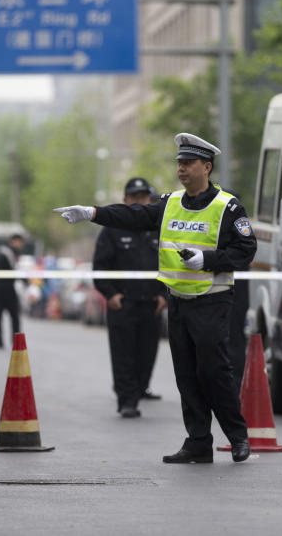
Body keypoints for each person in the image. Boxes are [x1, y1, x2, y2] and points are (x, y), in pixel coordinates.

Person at [55, 133, 256, 464]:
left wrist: (206, 260)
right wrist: (93, 213)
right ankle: (198, 441)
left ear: (206, 167)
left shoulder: (228, 206)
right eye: (179, 163)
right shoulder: (170, 203)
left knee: (214, 373)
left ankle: (237, 437)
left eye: (188, 163)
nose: (181, 169)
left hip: (212, 301)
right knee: (186, 376)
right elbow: (134, 217)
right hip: (178, 302)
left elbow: (246, 250)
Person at [93, 176, 167, 419]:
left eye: (143, 197)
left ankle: (140, 388)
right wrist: (111, 295)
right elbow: (100, 267)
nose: (138, 201)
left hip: (151, 304)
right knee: (123, 354)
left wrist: (164, 295)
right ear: (125, 200)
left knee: (147, 353)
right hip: (123, 303)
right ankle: (127, 399)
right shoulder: (112, 230)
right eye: (133, 197)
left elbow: (171, 265)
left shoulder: (159, 228)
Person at [0, 233, 24, 348]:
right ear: (13, 241)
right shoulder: (8, 253)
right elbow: (13, 271)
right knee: (11, 317)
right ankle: (3, 342)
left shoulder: (6, 252)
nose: (20, 245)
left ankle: (10, 342)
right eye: (18, 242)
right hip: (4, 290)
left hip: (2, 288)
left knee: (9, 318)